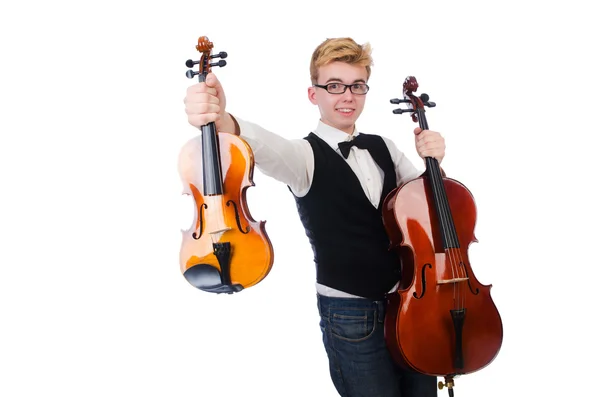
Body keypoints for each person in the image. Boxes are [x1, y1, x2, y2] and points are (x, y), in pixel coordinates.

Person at [183, 37, 446, 397]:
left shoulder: (385, 147)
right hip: (350, 315)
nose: (347, 96)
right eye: (334, 86)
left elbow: (431, 206)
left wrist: (435, 162)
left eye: (357, 86)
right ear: (314, 94)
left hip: (409, 303)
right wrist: (225, 119)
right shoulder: (304, 157)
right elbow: (265, 145)